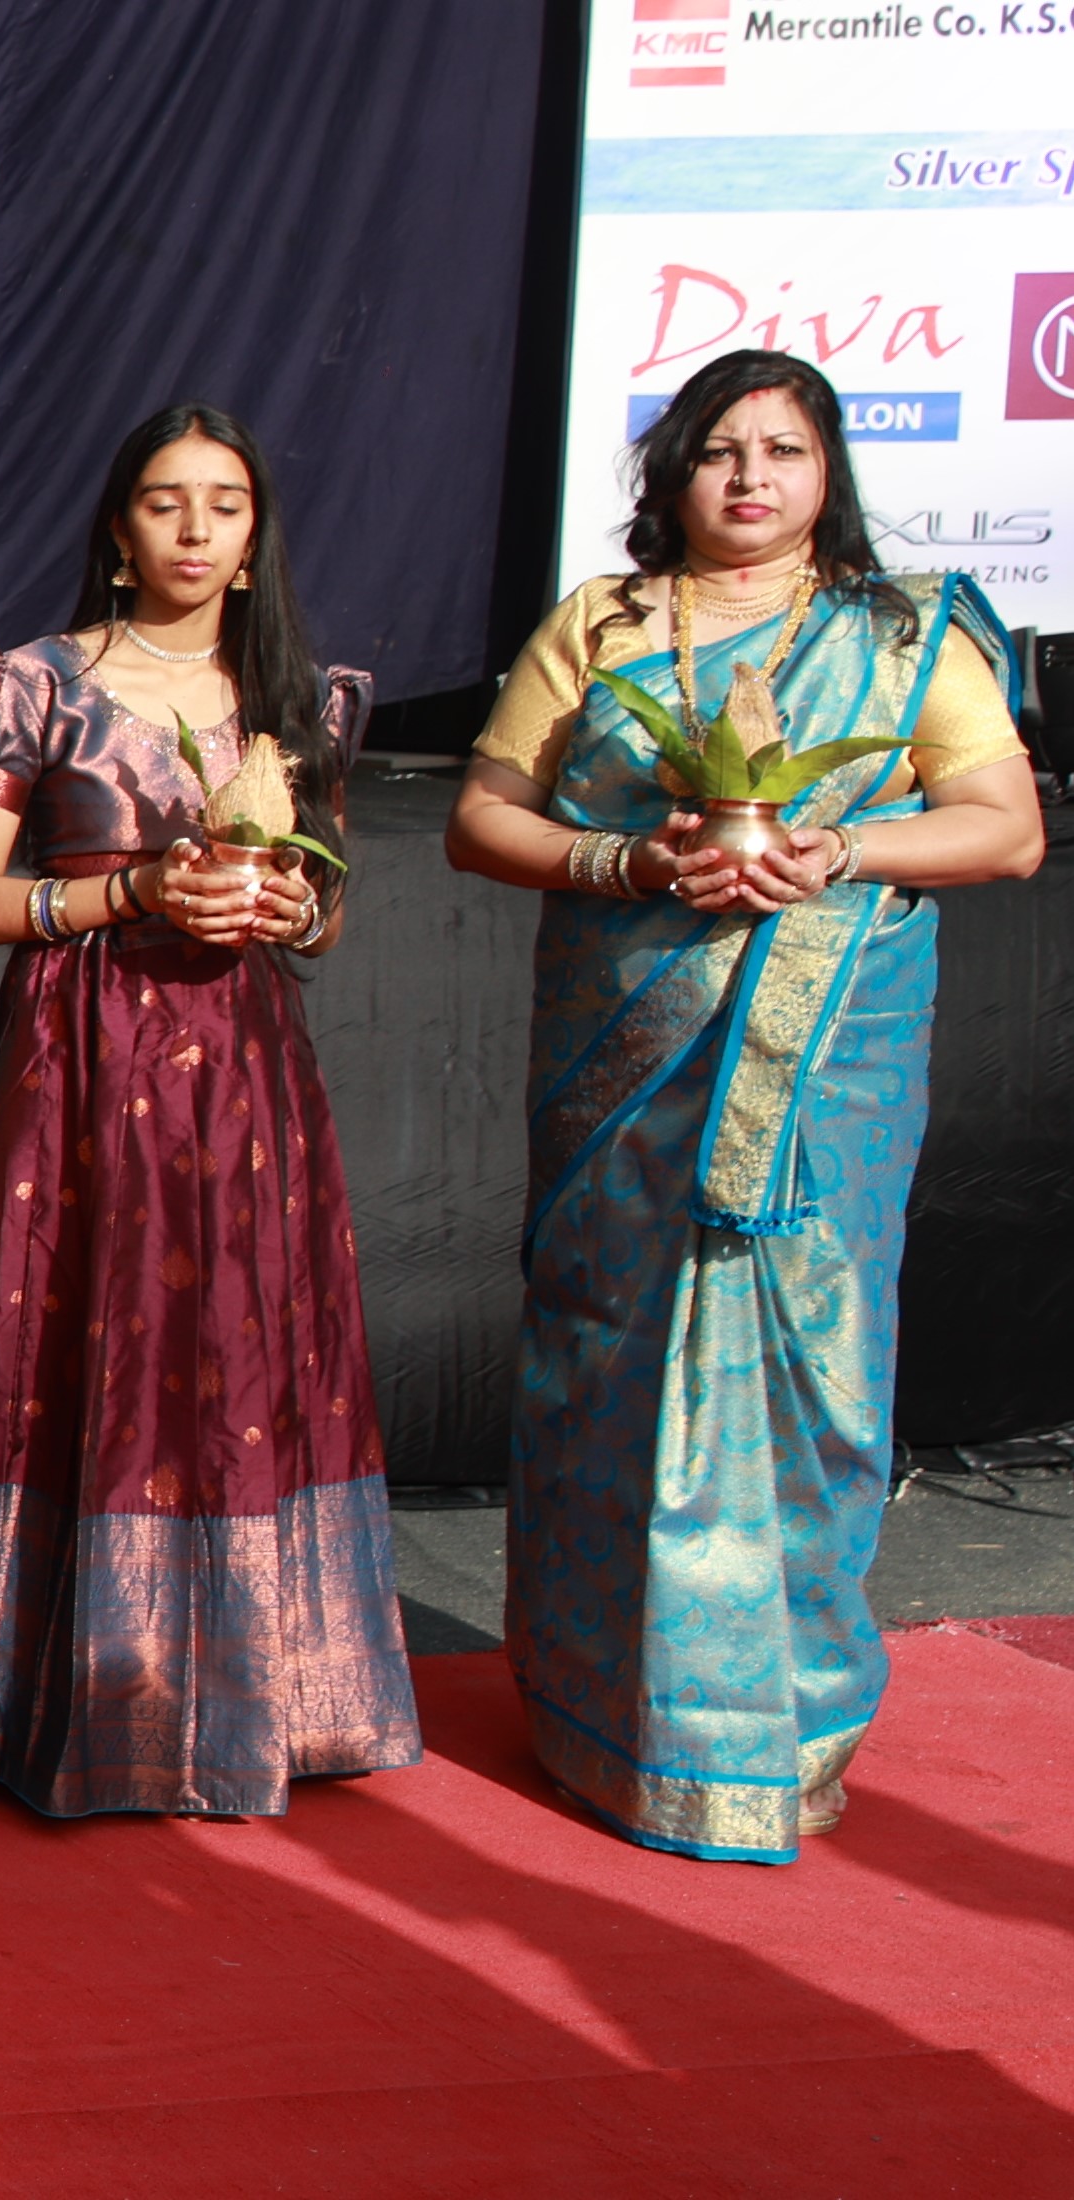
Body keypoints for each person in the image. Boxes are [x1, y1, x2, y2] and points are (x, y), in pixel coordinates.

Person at [443, 348, 1040, 1863]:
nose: (752, 476)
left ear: (829, 473)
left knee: (810, 1367)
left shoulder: (896, 636)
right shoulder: (605, 624)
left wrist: (838, 851)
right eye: (721, 449)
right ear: (674, 473)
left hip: (825, 1078)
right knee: (613, 1357)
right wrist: (629, 862)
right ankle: (602, 1719)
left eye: (784, 449)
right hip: (625, 1071)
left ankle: (782, 1730)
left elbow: (1006, 828)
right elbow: (483, 817)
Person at [0, 406, 424, 1817]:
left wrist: (293, 906)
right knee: (74, 1343)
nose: (194, 528)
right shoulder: (36, 687)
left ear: (253, 539)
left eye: (224, 505)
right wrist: (126, 891)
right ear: (119, 531)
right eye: (166, 501)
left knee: (238, 1347)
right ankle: (35, 1697)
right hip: (80, 1064)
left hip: (246, 1078)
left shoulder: (302, 697)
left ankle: (261, 1696)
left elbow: (327, 909)